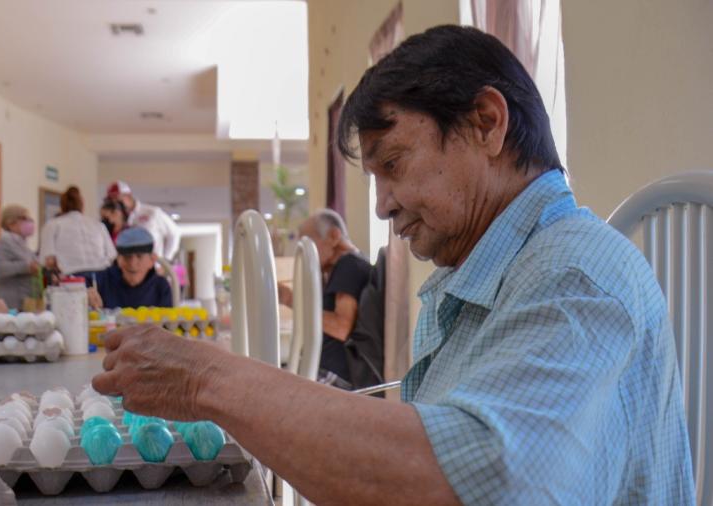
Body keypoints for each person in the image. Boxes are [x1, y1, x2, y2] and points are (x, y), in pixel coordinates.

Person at [90, 25, 694, 505]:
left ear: (487, 122)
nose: (381, 205)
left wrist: (209, 381)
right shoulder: (488, 274)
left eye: (393, 164)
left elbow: (472, 485)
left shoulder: (576, 274)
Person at [278, 210, 371, 389]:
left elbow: (341, 326)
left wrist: (291, 300)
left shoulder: (348, 264)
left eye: (308, 241)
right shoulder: (344, 266)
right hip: (327, 368)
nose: (305, 251)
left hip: (337, 374)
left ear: (334, 235)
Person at [39, 186, 116, 277]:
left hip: (72, 279)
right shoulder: (98, 225)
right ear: (82, 205)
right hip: (102, 276)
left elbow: (49, 261)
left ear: (62, 206)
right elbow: (112, 255)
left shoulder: (52, 225)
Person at [87, 227, 172, 310]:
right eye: (127, 257)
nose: (132, 263)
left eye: (139, 256)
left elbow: (168, 323)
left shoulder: (161, 286)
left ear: (152, 260)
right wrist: (84, 294)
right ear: (118, 259)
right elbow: (77, 283)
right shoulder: (102, 281)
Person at [107, 180, 180, 261]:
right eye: (111, 200)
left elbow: (174, 233)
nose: (115, 203)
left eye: (117, 198)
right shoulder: (116, 219)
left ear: (128, 196)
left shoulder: (152, 212)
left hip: (153, 267)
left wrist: (166, 260)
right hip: (127, 268)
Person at [0, 205, 40, 310]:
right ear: (10, 223)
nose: (29, 222)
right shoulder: (4, 242)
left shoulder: (23, 245)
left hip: (26, 302)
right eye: (24, 219)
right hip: (12, 303)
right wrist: (26, 267)